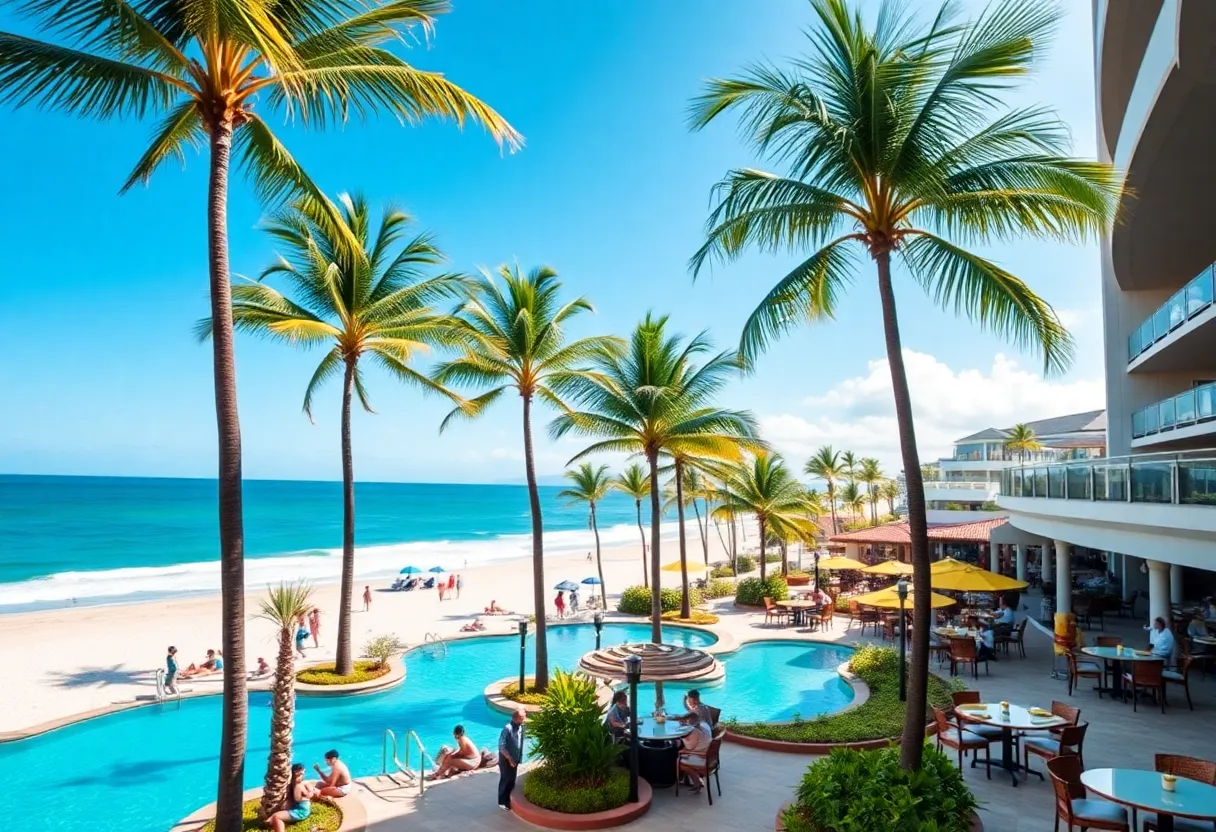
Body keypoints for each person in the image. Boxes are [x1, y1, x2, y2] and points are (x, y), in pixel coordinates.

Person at [267, 763, 316, 832]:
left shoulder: (298, 785)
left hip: (301, 812)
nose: (303, 773)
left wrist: (308, 795)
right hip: (298, 809)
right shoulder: (295, 784)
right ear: (295, 772)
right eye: (302, 771)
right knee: (273, 816)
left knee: (276, 817)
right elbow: (298, 798)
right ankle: (267, 823)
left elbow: (298, 799)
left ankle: (271, 823)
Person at [677, 711, 713, 793]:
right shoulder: (703, 726)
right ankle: (697, 783)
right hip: (708, 755)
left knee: (680, 761)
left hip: (702, 758)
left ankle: (678, 779)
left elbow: (689, 747)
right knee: (682, 756)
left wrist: (682, 738)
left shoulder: (694, 731)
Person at [497, 708, 526, 811]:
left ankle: (509, 798)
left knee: (512, 779)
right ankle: (502, 802)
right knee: (505, 779)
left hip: (515, 758)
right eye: (522, 718)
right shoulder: (507, 728)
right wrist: (509, 759)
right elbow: (501, 746)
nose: (524, 720)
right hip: (506, 760)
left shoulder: (521, 727)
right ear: (516, 718)